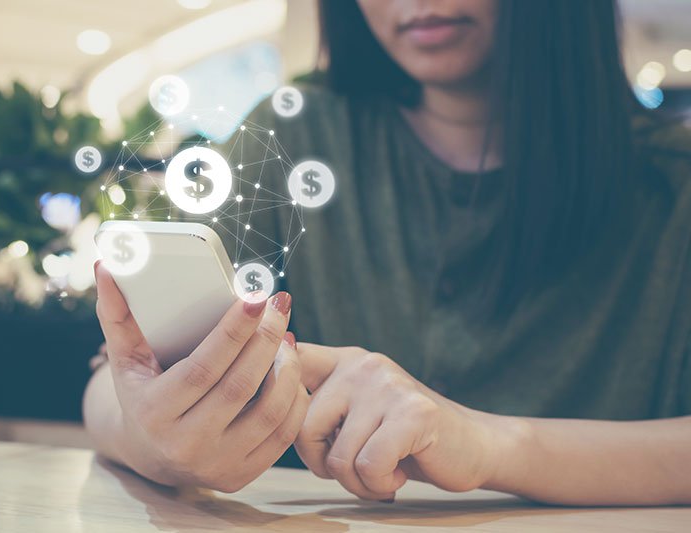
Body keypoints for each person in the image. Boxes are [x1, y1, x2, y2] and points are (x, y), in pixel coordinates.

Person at [84, 0, 691, 505]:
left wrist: (487, 443)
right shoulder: (296, 135)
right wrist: (160, 441)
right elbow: (110, 388)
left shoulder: (671, 183)